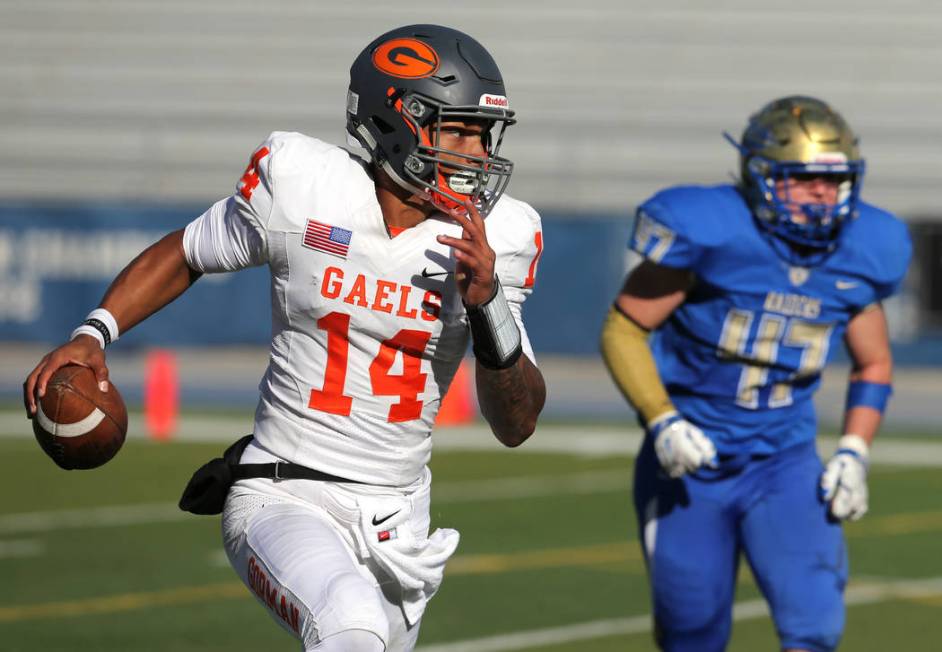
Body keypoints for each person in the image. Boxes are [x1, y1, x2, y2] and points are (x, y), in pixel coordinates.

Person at [24, 24, 545, 652]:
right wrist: (93, 332)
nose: (476, 152)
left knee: (365, 634)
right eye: (457, 129)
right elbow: (187, 253)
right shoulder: (304, 188)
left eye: (483, 134)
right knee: (351, 627)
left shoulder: (501, 237)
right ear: (397, 120)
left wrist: (487, 306)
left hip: (399, 522)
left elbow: (515, 422)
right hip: (284, 493)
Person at [600, 96, 911, 652]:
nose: (823, 194)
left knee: (814, 628)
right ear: (763, 177)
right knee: (691, 635)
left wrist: (854, 451)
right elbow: (623, 329)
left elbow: (875, 360)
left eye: (834, 180)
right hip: (692, 461)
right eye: (804, 179)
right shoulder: (713, 234)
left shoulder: (863, 250)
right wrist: (662, 420)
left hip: (785, 463)